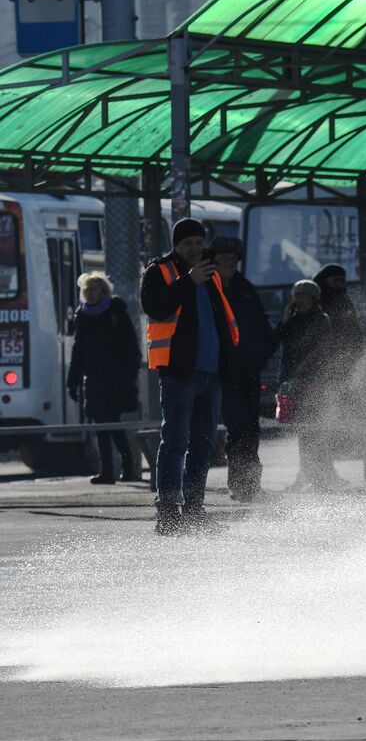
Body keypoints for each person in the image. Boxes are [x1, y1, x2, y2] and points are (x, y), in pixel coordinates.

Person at [141, 218, 241, 536]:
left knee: (203, 443)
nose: (195, 248)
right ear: (176, 244)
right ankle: (168, 513)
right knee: (174, 442)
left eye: (199, 242)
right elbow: (154, 307)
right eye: (188, 243)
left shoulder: (210, 275)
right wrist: (189, 281)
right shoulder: (161, 271)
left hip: (211, 372)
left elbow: (222, 323)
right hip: (180, 372)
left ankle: (194, 509)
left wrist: (228, 364)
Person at [212, 237, 275, 502]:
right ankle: (240, 483)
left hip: (248, 370)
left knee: (250, 428)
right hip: (223, 372)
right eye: (224, 258)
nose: (229, 262)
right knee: (238, 428)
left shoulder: (245, 288)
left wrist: (261, 356)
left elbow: (261, 327)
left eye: (233, 259)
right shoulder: (208, 287)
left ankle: (249, 483)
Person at [67, 271, 142, 485]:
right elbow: (78, 351)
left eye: (94, 289)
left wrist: (129, 376)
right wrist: (72, 381)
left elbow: (131, 346)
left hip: (116, 379)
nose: (89, 294)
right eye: (86, 290)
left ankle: (126, 466)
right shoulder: (83, 316)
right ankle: (108, 471)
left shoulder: (116, 311)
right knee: (101, 424)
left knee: (111, 421)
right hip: (94, 379)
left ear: (104, 291)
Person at [312, 263, 366, 478]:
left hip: (342, 370)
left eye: (342, 281)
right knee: (316, 424)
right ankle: (316, 472)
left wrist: (355, 359)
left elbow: (354, 334)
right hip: (320, 372)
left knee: (331, 423)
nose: (340, 285)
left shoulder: (343, 301)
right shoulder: (316, 302)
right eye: (335, 281)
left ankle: (325, 471)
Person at [276, 278, 337, 490]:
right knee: (304, 431)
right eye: (296, 297)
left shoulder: (321, 320)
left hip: (315, 382)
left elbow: (318, 351)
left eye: (303, 296)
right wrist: (285, 318)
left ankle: (319, 477)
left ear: (313, 298)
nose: (299, 301)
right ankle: (307, 475)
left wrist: (299, 374)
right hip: (296, 383)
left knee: (316, 430)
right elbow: (278, 340)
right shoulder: (293, 321)